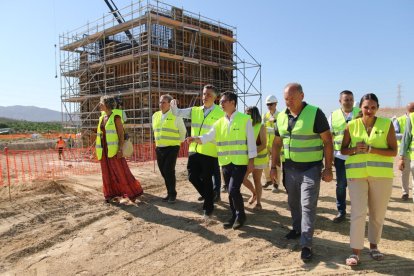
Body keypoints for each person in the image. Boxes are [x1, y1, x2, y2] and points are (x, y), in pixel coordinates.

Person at [270, 83, 333, 262]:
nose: (288, 102)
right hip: (289, 169)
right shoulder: (281, 117)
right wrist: (273, 166)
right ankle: (297, 229)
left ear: (302, 96)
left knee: (307, 206)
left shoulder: (315, 113)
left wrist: (328, 168)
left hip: (310, 169)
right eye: (285, 99)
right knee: (293, 202)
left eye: (291, 98)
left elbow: (328, 141)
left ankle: (306, 244)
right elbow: (276, 143)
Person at [341, 93, 397, 266]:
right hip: (357, 176)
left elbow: (393, 151)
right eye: (366, 107)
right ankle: (355, 252)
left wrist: (372, 149)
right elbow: (343, 150)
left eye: (373, 107)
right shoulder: (351, 125)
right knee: (358, 213)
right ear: (361, 108)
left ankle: (374, 247)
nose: (369, 110)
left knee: (377, 214)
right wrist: (354, 149)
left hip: (382, 176)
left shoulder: (386, 124)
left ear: (377, 108)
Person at [188, 91, 257, 228]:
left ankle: (241, 216)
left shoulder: (245, 119)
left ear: (233, 103)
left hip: (240, 162)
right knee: (230, 190)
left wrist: (251, 162)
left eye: (223, 101)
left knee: (232, 189)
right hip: (225, 162)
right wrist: (196, 139)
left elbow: (251, 142)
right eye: (220, 102)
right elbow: (208, 136)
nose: (221, 104)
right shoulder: (219, 122)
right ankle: (234, 215)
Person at [170, 84, 225, 217]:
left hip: (210, 152)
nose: (205, 97)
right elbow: (177, 112)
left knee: (206, 179)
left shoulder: (220, 113)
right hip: (194, 150)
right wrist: (173, 105)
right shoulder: (195, 110)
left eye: (208, 95)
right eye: (204, 94)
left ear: (215, 98)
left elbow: (221, 133)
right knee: (192, 176)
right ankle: (210, 196)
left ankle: (208, 207)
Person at [96, 95, 143, 202]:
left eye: (101, 103)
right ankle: (111, 194)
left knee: (120, 172)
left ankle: (132, 193)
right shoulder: (101, 118)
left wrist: (120, 149)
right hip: (104, 151)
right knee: (107, 173)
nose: (99, 105)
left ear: (106, 105)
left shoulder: (116, 118)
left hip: (114, 150)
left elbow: (121, 135)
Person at [328, 90, 360, 223]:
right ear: (340, 101)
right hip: (340, 158)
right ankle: (341, 212)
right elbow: (329, 138)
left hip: (357, 157)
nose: (349, 102)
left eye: (351, 99)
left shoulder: (360, 112)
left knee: (357, 186)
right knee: (341, 185)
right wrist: (330, 158)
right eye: (346, 100)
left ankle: (358, 213)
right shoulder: (333, 115)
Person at [152, 94, 186, 203]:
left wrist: (178, 142)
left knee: (168, 170)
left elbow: (183, 131)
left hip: (172, 147)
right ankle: (169, 193)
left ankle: (172, 194)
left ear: (170, 104)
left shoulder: (176, 115)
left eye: (164, 102)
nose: (161, 104)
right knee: (163, 171)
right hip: (159, 148)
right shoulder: (155, 115)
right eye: (160, 102)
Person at [243, 106, 268, 210]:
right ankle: (254, 193)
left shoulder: (261, 126)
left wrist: (252, 153)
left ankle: (258, 203)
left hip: (259, 158)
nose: (246, 115)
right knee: (242, 178)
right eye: (245, 113)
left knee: (256, 180)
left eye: (248, 113)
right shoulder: (245, 125)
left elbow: (263, 144)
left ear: (254, 114)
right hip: (247, 158)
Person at [395, 102, 414, 201]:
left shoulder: (412, 118)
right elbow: (395, 134)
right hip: (405, 151)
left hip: (411, 152)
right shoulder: (399, 120)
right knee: (405, 173)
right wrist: (405, 135)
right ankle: (405, 192)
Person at [262, 95, 280, 192]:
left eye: (270, 104)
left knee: (276, 165)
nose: (269, 106)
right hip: (267, 143)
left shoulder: (280, 115)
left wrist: (274, 123)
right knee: (264, 163)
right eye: (267, 104)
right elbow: (262, 128)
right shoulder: (265, 116)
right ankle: (268, 180)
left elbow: (280, 130)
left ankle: (276, 184)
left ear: (276, 104)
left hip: (276, 144)